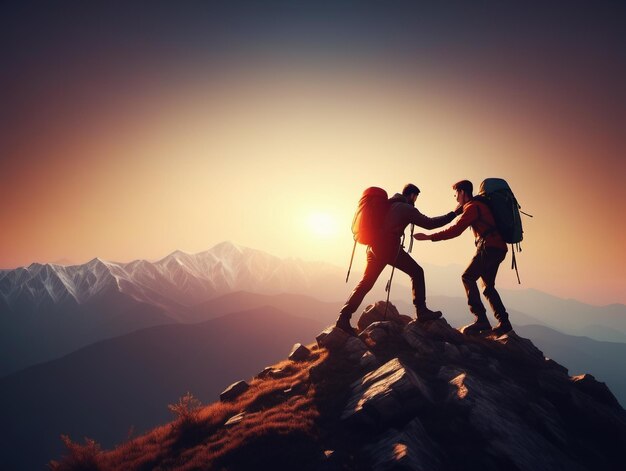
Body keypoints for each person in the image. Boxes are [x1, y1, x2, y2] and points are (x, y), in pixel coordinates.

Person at [335, 183, 458, 335]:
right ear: (413, 196)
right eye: (416, 197)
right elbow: (430, 223)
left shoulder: (388, 204)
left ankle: (343, 318)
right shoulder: (406, 208)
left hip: (373, 248)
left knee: (366, 283)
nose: (415, 200)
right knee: (417, 272)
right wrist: (454, 213)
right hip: (388, 248)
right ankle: (422, 311)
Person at [413, 180, 513, 336]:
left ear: (462, 192)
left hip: (489, 247)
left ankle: (481, 319)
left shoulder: (473, 207)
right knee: (487, 286)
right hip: (499, 248)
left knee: (468, 277)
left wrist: (429, 237)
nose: (455, 198)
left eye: (456, 194)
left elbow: (455, 230)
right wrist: (458, 211)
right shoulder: (478, 205)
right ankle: (504, 323)